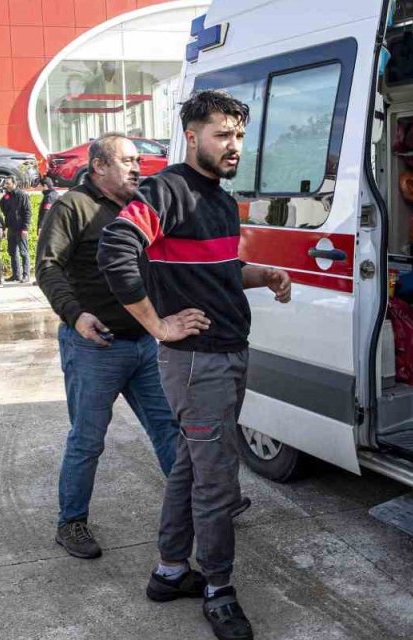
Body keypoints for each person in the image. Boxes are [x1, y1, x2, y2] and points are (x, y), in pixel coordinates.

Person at [99, 90, 291, 640]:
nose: (233, 146)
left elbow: (217, 270)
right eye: (220, 135)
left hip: (226, 354)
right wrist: (158, 325)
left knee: (189, 466)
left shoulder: (220, 199)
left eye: (237, 135)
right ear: (191, 135)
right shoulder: (167, 190)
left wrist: (263, 275)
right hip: (197, 364)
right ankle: (219, 589)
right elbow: (116, 248)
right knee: (216, 480)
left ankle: (169, 571)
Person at [38, 133, 182, 560]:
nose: (137, 168)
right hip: (94, 346)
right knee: (87, 439)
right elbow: (47, 266)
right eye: (127, 161)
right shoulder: (72, 206)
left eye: (139, 160)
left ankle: (197, 503)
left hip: (143, 343)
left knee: (168, 428)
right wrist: (75, 315)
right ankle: (72, 522)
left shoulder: (139, 210)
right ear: (99, 165)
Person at [0, 175, 33, 283]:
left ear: (14, 184)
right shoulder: (6, 197)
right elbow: (3, 207)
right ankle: (16, 275)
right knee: (12, 252)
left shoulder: (22, 195)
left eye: (8, 183)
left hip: (20, 228)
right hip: (11, 228)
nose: (6, 185)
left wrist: (25, 228)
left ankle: (26, 275)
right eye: (5, 183)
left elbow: (27, 212)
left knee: (24, 252)